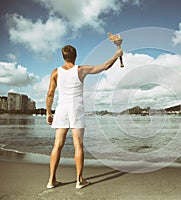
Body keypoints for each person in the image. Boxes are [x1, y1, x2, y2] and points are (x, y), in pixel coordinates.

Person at [46, 45, 123, 189]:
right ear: (75, 56)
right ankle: (79, 181)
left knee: (57, 145)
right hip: (76, 109)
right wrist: (117, 54)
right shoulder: (81, 70)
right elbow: (105, 66)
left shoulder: (55, 72)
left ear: (63, 57)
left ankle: (51, 181)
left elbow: (50, 94)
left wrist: (48, 112)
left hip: (62, 109)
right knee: (78, 145)